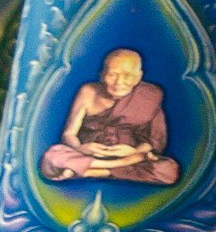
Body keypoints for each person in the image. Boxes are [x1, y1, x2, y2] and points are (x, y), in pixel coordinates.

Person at [42, 46, 176, 185]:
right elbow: (69, 133)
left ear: (138, 77)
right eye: (113, 74)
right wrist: (80, 148)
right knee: (52, 156)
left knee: (168, 170)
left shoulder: (150, 95)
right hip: (91, 152)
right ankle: (108, 167)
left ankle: (91, 171)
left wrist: (134, 151)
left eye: (127, 76)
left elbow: (154, 138)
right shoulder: (88, 92)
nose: (119, 82)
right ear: (102, 75)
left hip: (128, 153)